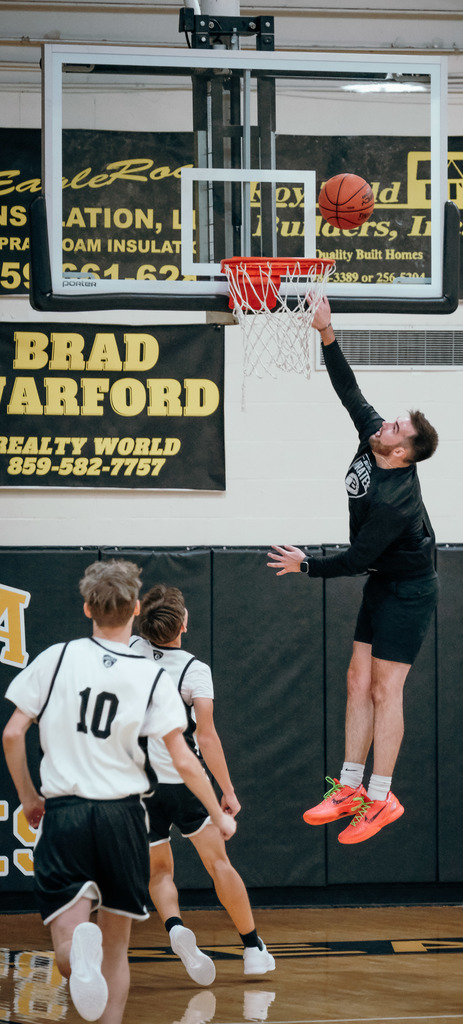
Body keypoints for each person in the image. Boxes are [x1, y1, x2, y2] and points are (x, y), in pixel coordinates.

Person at [2, 560, 235, 1024]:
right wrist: (218, 809)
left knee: (67, 942)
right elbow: (187, 758)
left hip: (65, 813)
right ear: (134, 608)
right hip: (125, 818)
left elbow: (12, 735)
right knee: (117, 952)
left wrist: (29, 798)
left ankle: (75, 954)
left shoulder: (57, 658)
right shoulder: (151, 676)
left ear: (88, 607)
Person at [267, 295, 439, 844]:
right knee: (355, 681)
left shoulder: (396, 502)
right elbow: (350, 391)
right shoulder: (372, 439)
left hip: (409, 589)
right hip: (384, 581)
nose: (385, 423)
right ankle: (349, 787)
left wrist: (305, 565)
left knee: (388, 690)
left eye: (395, 428)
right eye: (391, 421)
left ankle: (383, 796)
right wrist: (327, 332)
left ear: (403, 454)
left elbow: (357, 559)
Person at [130, 584, 275, 981]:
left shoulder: (127, 652)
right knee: (218, 863)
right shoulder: (195, 670)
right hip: (184, 780)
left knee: (159, 871)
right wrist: (226, 791)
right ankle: (252, 948)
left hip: (139, 784)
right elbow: (206, 737)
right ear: (184, 623)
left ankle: (175, 928)